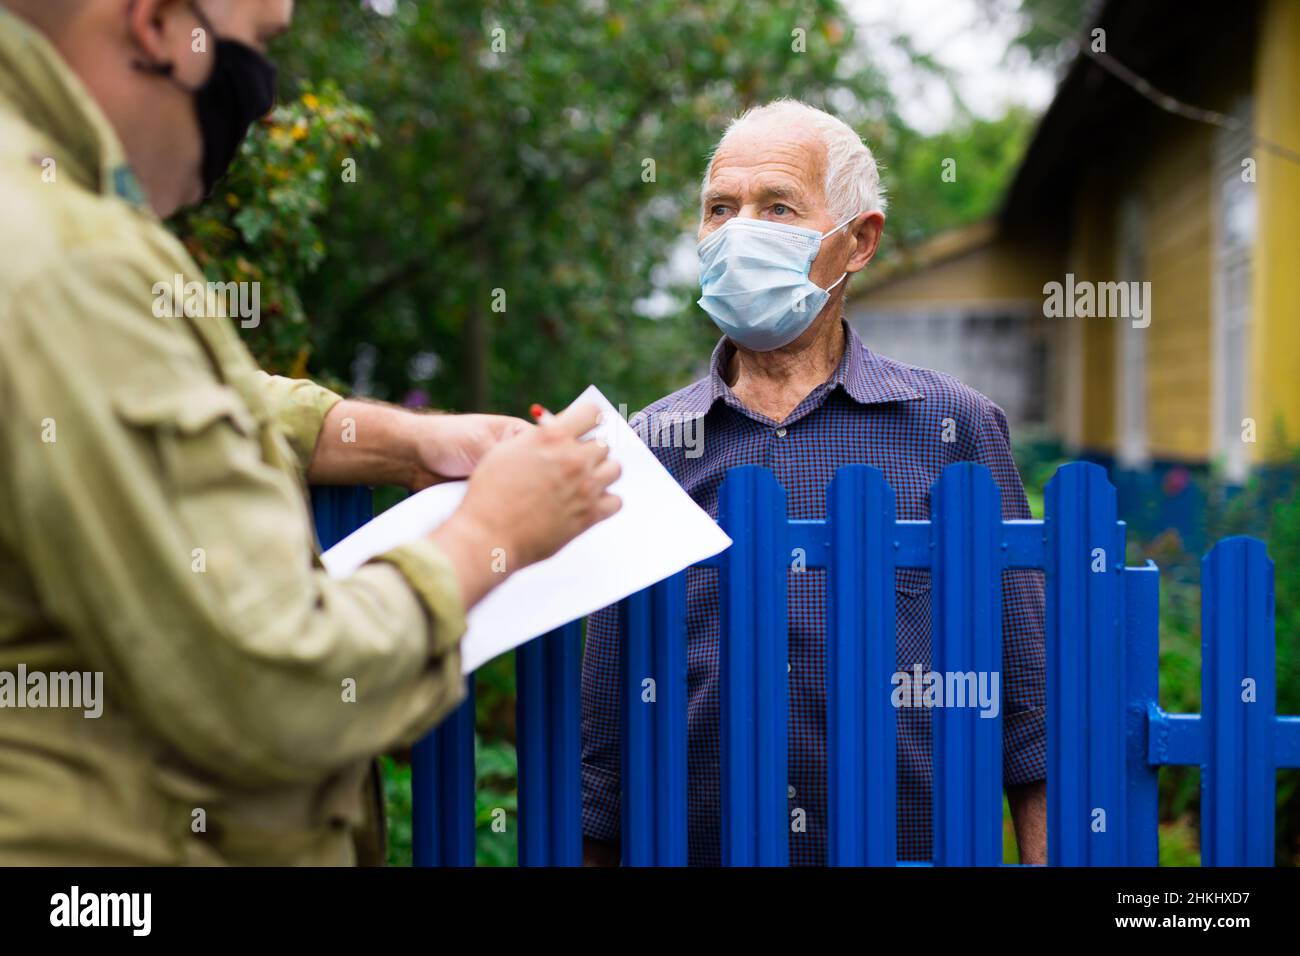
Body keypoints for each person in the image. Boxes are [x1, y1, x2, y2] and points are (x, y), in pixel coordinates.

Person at [0, 0, 619, 864]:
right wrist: (488, 534)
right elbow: (273, 686)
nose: (264, 108)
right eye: (261, 51)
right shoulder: (67, 257)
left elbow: (159, 396)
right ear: (155, 27)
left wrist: (402, 441)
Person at [581, 99, 1047, 866]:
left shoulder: (953, 429)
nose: (738, 231)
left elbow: (1031, 715)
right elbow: (603, 744)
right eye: (719, 209)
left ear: (859, 241)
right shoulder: (651, 447)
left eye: (777, 208)